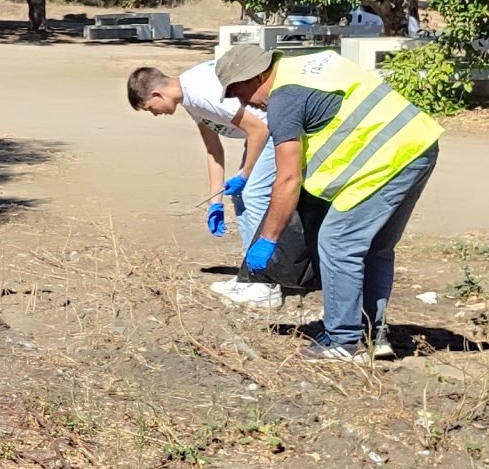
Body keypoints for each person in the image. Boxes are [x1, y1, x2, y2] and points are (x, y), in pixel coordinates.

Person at [214, 40, 442, 363]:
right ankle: (370, 336)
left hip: (387, 159)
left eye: (239, 94)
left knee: (337, 241)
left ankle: (343, 341)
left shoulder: (284, 98)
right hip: (417, 145)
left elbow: (288, 179)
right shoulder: (311, 65)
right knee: (376, 247)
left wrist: (267, 240)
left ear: (252, 78)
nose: (247, 104)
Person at [125, 61, 281, 309]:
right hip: (263, 132)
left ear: (157, 94)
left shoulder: (200, 93)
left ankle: (267, 283)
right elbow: (213, 150)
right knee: (241, 198)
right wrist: (215, 202)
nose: (155, 114)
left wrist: (245, 174)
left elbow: (259, 130)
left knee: (254, 195)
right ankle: (250, 274)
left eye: (150, 108)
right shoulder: (189, 99)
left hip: (275, 129)